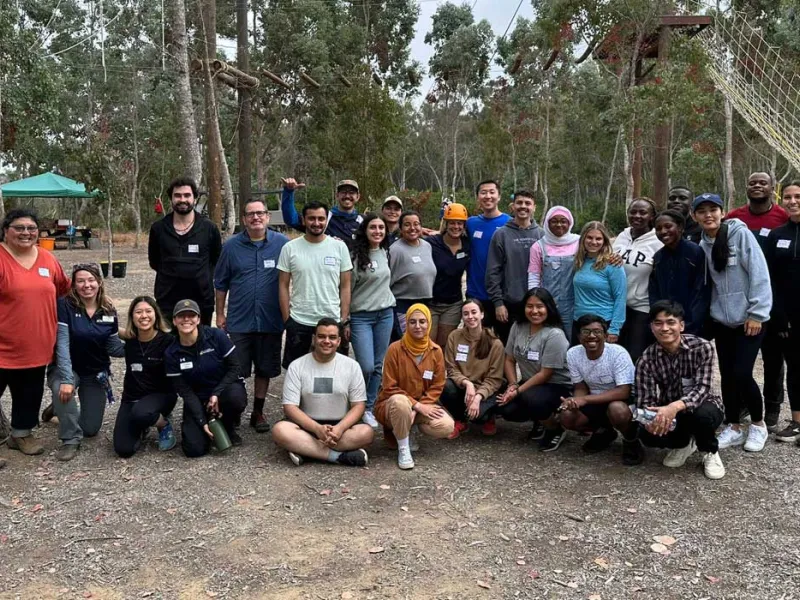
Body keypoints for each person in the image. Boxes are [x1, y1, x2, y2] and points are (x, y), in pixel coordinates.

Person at [603, 300, 726, 478]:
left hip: (704, 404)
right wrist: (653, 419)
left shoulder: (701, 347)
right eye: (658, 323)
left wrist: (674, 407)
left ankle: (710, 451)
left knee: (703, 415)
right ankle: (684, 444)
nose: (665, 328)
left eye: (670, 322)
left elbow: (703, 388)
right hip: (670, 409)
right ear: (652, 328)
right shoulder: (646, 359)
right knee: (648, 435)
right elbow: (645, 400)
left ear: (681, 325)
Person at [693, 193, 772, 452]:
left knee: (742, 373)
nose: (708, 215)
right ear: (695, 216)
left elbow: (759, 272)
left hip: (749, 318)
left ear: (722, 211)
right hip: (722, 320)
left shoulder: (740, 234)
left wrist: (757, 313)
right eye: (702, 211)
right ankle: (734, 425)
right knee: (727, 375)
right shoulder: (702, 244)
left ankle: (758, 424)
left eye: (713, 209)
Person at [214, 199, 289, 433]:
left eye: (260, 213)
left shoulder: (283, 244)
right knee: (236, 368)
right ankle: (234, 409)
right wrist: (220, 314)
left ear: (268, 216)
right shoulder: (231, 247)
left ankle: (258, 411)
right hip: (239, 320)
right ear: (244, 219)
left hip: (270, 319)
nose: (256, 217)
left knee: (265, 368)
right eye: (250, 214)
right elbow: (221, 283)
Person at [0, 209, 70, 456]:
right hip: (2, 347)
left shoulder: (47, 259)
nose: (26, 233)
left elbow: (63, 289)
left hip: (37, 345)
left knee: (29, 393)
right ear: (6, 230)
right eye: (19, 228)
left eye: (31, 228)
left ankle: (21, 435)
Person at [43, 263, 125, 461]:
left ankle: (59, 409)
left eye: (91, 280)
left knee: (90, 429)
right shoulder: (65, 305)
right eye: (80, 281)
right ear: (74, 284)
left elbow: (113, 347)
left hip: (95, 372)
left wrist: (142, 344)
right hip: (67, 368)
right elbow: (62, 345)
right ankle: (70, 439)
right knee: (62, 389)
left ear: (99, 282)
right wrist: (66, 379)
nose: (86, 285)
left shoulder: (108, 310)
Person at [727, 172, 789, 430]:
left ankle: (772, 405)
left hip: (773, 298)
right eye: (752, 182)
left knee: (773, 358)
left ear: (772, 188)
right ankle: (744, 404)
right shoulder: (734, 217)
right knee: (743, 360)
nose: (757, 186)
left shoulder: (782, 217)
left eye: (763, 183)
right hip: (743, 300)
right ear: (746, 187)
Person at [272, 318, 373, 466]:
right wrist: (316, 428)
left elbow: (358, 405)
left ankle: (306, 450)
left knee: (366, 433)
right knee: (280, 430)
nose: (326, 341)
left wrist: (339, 429)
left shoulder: (352, 366)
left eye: (332, 337)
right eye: (321, 336)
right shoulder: (297, 366)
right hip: (306, 426)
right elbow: (290, 407)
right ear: (314, 339)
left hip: (340, 427)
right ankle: (337, 456)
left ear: (339, 341)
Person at [375, 304, 455, 469]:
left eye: (422, 321)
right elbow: (389, 386)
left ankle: (409, 429)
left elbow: (437, 385)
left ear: (429, 323)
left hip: (421, 406)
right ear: (407, 324)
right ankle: (403, 448)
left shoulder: (436, 351)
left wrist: (418, 409)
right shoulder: (394, 349)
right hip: (392, 405)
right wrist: (416, 405)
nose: (418, 326)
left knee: (447, 426)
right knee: (400, 402)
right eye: (412, 322)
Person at [165, 299, 247, 457]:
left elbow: (235, 367)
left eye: (191, 315)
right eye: (181, 316)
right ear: (174, 321)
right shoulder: (171, 353)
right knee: (193, 450)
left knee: (235, 398)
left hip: (223, 390)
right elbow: (184, 391)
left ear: (198, 319)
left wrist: (216, 393)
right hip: (197, 397)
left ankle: (228, 424)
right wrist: (202, 421)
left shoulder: (216, 336)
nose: (186, 319)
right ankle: (207, 425)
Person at [278, 201, 353, 368]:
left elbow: (345, 285)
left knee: (334, 371)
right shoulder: (289, 248)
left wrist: (343, 318)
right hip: (299, 320)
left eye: (321, 218)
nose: (317, 223)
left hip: (331, 320)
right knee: (296, 371)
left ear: (327, 220)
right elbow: (283, 285)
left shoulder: (339, 247)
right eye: (311, 218)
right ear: (304, 220)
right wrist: (287, 319)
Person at [497, 289, 572, 451]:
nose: (535, 311)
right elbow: (509, 359)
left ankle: (555, 428)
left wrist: (518, 392)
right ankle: (540, 419)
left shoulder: (555, 334)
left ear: (548, 308)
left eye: (540, 306)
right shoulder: (518, 326)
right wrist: (512, 385)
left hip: (557, 385)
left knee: (531, 398)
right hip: (530, 383)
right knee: (506, 409)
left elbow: (545, 374)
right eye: (530, 306)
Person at [148, 177, 222, 325]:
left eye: (187, 195)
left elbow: (216, 260)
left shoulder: (209, 229)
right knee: (167, 340)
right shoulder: (158, 229)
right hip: (167, 303)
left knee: (200, 340)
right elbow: (154, 262)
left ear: (194, 198)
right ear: (171, 198)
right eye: (177, 195)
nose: (182, 200)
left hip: (202, 302)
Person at [560, 314, 635, 454]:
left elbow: (624, 391)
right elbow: (580, 386)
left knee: (617, 410)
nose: (591, 336)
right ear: (579, 336)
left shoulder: (618, 353)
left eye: (597, 331)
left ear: (605, 336)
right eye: (586, 332)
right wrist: (575, 402)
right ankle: (603, 432)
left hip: (620, 400)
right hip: (594, 399)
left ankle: (631, 439)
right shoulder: (573, 354)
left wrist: (584, 399)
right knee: (567, 416)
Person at [113, 296, 178, 458]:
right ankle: (143, 426)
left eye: (148, 311)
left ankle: (163, 424)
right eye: (138, 312)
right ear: (132, 316)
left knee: (141, 413)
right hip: (132, 398)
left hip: (161, 395)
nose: (144, 316)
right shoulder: (130, 340)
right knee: (123, 449)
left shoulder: (168, 341)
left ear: (156, 314)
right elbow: (110, 327)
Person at [349, 213, 395, 429]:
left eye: (381, 228)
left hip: (385, 314)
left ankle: (368, 407)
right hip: (361, 317)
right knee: (366, 365)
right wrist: (345, 319)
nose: (377, 231)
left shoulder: (386, 252)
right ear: (365, 230)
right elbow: (346, 289)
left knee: (378, 365)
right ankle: (355, 402)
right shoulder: (355, 256)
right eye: (373, 227)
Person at [765, 181, 800, 443]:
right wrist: (779, 316)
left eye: (797, 196)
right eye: (787, 197)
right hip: (787, 317)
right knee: (796, 368)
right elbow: (770, 279)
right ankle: (797, 422)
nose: (792, 201)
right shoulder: (777, 235)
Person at [440, 299, 505, 438]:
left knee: (478, 417)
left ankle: (489, 417)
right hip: (463, 387)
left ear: (482, 314)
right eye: (466, 314)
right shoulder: (454, 336)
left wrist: (478, 396)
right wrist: (467, 383)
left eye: (474, 312)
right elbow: (451, 368)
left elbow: (494, 379)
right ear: (462, 317)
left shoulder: (495, 343)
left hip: (486, 389)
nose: (470, 317)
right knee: (445, 386)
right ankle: (460, 420)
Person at [486, 190, 544, 344]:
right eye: (519, 203)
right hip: (509, 304)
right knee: (508, 348)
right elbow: (493, 272)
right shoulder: (501, 234)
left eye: (527, 203)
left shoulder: (542, 235)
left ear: (534, 207)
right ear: (512, 206)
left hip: (537, 305)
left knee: (534, 348)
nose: (523, 206)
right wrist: (498, 303)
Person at [612, 197, 663, 363]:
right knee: (615, 353)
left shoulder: (658, 241)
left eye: (643, 212)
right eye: (633, 212)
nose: (637, 216)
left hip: (641, 307)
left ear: (652, 216)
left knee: (636, 356)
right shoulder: (622, 236)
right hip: (616, 306)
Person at [648, 210, 708, 336]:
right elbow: (654, 292)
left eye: (668, 226)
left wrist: (690, 324)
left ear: (680, 227)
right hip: (666, 325)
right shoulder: (658, 258)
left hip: (693, 325)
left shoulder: (694, 252)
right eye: (658, 229)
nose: (663, 231)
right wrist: (659, 318)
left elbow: (701, 292)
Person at [527, 205, 581, 338]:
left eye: (563, 221)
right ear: (547, 223)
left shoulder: (579, 243)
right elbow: (534, 276)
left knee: (571, 337)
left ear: (570, 223)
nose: (559, 224)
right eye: (554, 221)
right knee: (547, 336)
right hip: (547, 303)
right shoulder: (538, 246)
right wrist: (535, 302)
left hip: (574, 303)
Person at [466, 180, 511, 330]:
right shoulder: (470, 223)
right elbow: (451, 235)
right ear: (478, 197)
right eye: (483, 192)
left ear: (499, 196)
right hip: (475, 293)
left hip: (502, 295)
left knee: (502, 339)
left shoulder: (509, 223)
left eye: (492, 192)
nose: (488, 196)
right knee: (475, 339)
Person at [572, 222, 627, 344]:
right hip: (579, 322)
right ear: (583, 239)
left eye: (598, 239)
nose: (594, 242)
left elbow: (620, 297)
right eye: (589, 237)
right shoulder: (578, 262)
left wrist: (614, 329)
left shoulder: (612, 264)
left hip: (603, 323)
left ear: (604, 241)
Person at [427, 203, 471, 347]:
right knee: (428, 345)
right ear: (446, 223)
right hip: (431, 303)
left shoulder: (467, 245)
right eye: (452, 223)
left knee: (444, 345)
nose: (456, 227)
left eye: (459, 223)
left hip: (453, 305)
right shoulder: (432, 243)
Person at [389, 211, 437, 336]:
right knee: (406, 341)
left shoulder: (427, 246)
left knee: (420, 340)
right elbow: (387, 280)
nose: (412, 228)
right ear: (400, 228)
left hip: (425, 303)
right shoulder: (395, 250)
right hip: (403, 305)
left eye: (416, 224)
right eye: (407, 225)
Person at [281, 178, 362, 249]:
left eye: (351, 193)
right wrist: (288, 192)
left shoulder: (363, 222)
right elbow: (292, 220)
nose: (347, 196)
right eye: (343, 192)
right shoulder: (323, 218)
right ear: (337, 195)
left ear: (358, 197)